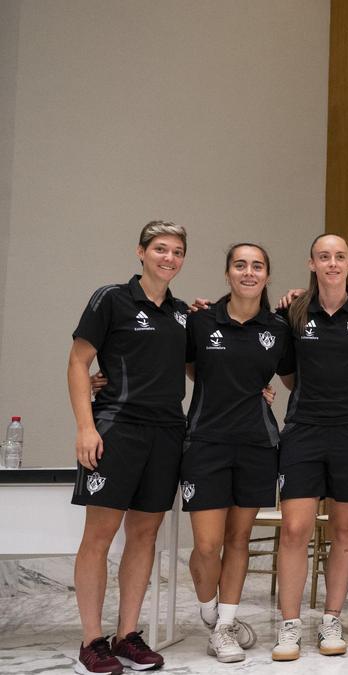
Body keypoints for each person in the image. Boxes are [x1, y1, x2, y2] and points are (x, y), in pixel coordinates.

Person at [68, 221, 190, 675]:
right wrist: (86, 427)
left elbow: (207, 365)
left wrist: (253, 386)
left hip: (167, 433)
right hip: (116, 429)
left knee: (144, 536)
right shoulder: (111, 298)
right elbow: (79, 362)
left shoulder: (182, 313)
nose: (169, 258)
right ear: (141, 252)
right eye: (160, 248)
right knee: (98, 537)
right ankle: (91, 640)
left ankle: (127, 634)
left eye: (177, 251)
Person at [270, 234, 348, 661]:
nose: (332, 263)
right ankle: (289, 627)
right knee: (295, 530)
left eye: (340, 256)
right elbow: (287, 376)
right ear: (312, 263)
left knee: (345, 531)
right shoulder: (292, 312)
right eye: (324, 257)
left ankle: (331, 620)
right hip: (303, 430)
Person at [180, 244, 292, 663]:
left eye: (257, 266)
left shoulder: (279, 327)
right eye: (240, 265)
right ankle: (211, 612)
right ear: (227, 273)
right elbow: (192, 367)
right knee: (207, 545)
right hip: (205, 441)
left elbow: (297, 377)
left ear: (266, 275)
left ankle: (226, 624)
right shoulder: (200, 319)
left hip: (258, 444)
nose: (249, 272)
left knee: (239, 539)